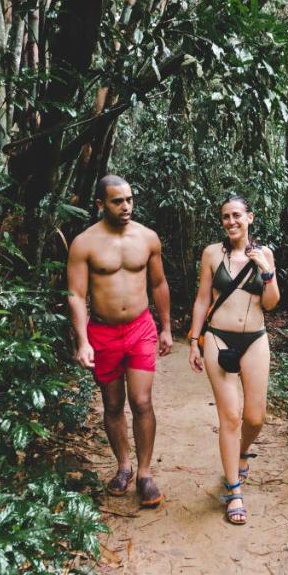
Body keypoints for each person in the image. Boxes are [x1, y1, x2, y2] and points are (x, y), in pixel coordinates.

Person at [67, 175, 172, 508]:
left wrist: (166, 327)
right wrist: (82, 341)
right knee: (113, 404)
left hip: (140, 328)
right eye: (117, 201)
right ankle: (123, 466)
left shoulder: (147, 237)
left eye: (129, 199)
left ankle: (144, 474)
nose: (126, 206)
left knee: (141, 401)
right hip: (103, 332)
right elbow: (76, 295)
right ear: (100, 205)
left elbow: (158, 284)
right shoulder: (84, 243)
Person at [186, 194, 279, 524]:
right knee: (231, 416)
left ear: (249, 217)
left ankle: (240, 454)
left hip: (255, 338)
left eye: (237, 215)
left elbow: (271, 304)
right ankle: (234, 490)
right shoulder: (212, 253)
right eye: (225, 216)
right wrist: (194, 340)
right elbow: (201, 300)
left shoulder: (264, 253)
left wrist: (266, 271)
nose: (231, 221)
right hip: (217, 337)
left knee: (255, 418)